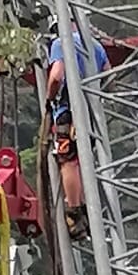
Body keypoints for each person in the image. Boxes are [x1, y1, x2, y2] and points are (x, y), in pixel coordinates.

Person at [46, 19, 108, 242]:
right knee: (82, 162)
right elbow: (109, 75)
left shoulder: (60, 43)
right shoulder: (95, 46)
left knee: (68, 161)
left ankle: (74, 212)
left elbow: (56, 76)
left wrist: (50, 97)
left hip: (68, 111)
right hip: (91, 115)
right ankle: (87, 212)